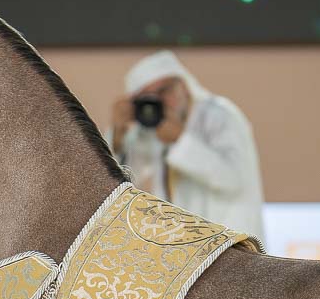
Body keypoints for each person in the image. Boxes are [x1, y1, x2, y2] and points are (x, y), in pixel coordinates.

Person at [108, 49, 266, 239]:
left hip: (231, 243)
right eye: (147, 98)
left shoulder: (221, 115)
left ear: (182, 85)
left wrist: (180, 140)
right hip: (185, 245)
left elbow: (232, 179)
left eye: (163, 91)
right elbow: (128, 177)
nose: (159, 102)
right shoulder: (154, 129)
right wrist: (118, 133)